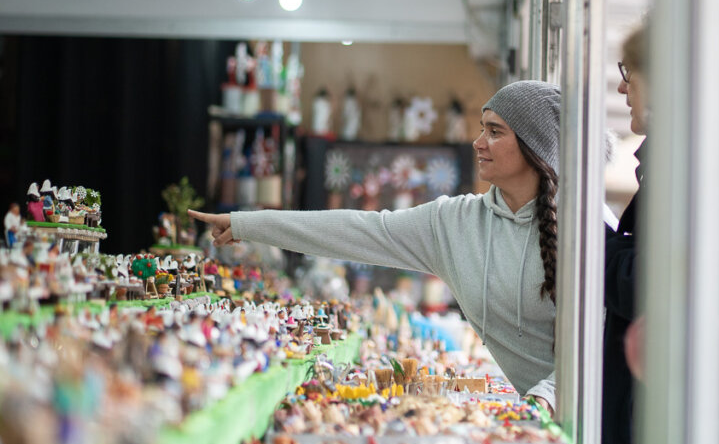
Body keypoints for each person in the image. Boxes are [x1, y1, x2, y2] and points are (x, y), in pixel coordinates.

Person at [190, 80, 562, 410]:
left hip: (592, 421)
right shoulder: (454, 223)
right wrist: (246, 223)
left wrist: (548, 394)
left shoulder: (580, 231)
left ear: (534, 147)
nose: (478, 142)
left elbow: (599, 345)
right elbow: (356, 229)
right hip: (538, 414)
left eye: (495, 132)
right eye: (482, 129)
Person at [600, 21, 649, 444]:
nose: (621, 86)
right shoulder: (663, 166)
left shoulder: (686, 171)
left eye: (628, 72)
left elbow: (644, 285)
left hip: (645, 440)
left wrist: (592, 235)